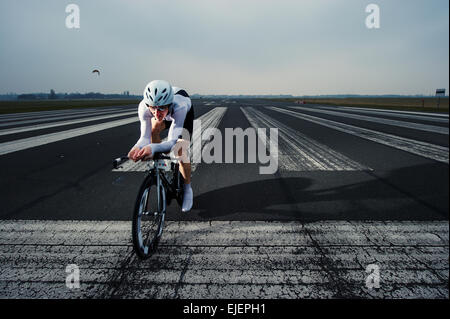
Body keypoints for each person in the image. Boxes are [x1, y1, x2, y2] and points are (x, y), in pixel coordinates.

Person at [128, 80, 194, 212]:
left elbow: (172, 142)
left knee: (180, 151)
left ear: (169, 104)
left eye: (161, 108)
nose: (157, 113)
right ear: (148, 105)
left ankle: (188, 189)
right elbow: (145, 137)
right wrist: (136, 147)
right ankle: (161, 165)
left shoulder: (180, 106)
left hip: (182, 117)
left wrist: (152, 148)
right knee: (153, 129)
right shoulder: (143, 107)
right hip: (169, 114)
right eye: (153, 108)